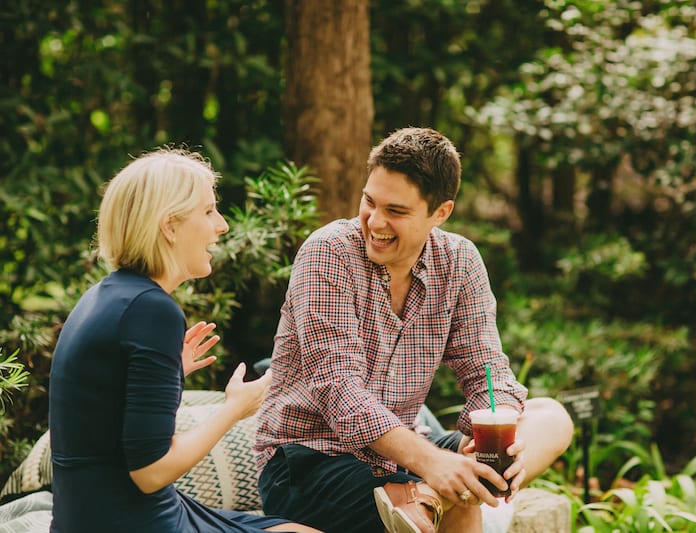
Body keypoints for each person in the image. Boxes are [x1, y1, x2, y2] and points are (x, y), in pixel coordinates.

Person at [254, 127, 574, 533]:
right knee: (461, 496)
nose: (375, 221)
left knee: (551, 417)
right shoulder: (329, 252)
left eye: (397, 211)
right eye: (369, 202)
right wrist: (435, 464)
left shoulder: (459, 262)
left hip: (400, 461)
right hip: (308, 465)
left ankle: (429, 497)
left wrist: (499, 441)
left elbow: (486, 371)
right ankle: (435, 494)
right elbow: (339, 389)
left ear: (440, 213)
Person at [48, 149, 320, 533]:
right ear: (170, 226)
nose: (222, 225)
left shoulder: (104, 296)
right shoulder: (151, 311)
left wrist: (169, 372)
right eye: (208, 212)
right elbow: (150, 471)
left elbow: (108, 421)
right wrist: (234, 409)